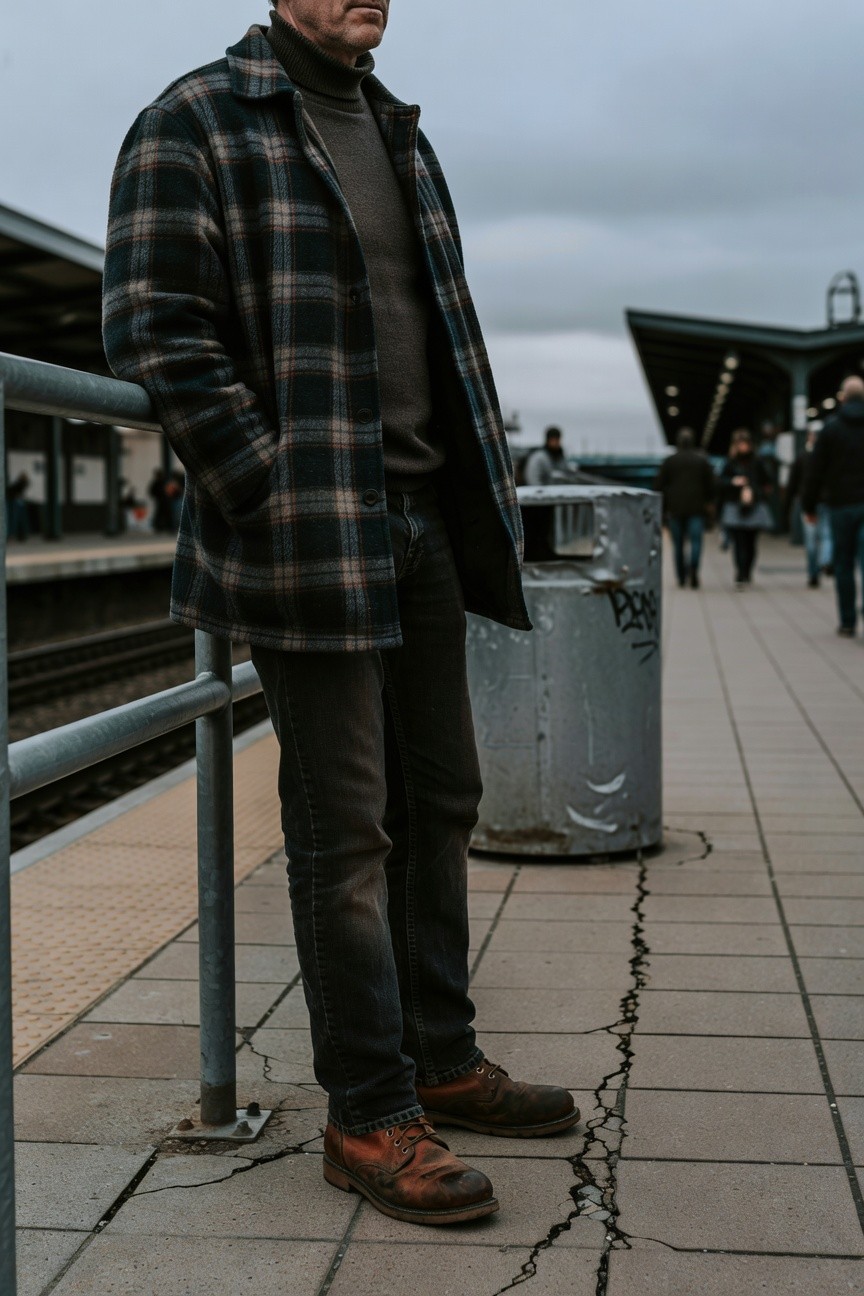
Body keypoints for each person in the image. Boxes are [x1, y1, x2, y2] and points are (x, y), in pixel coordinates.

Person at [103, 0, 577, 1228]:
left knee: (444, 798)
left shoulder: (397, 131)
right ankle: (369, 1112)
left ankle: (440, 1059)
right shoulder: (194, 121)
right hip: (311, 534)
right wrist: (266, 485)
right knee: (345, 828)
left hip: (423, 519)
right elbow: (154, 327)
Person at [802, 375, 864, 637]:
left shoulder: (831, 428)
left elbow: (816, 471)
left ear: (842, 398)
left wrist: (809, 506)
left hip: (840, 505)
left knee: (843, 564)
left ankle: (848, 621)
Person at [653, 427, 715, 588]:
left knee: (678, 544)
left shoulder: (670, 461)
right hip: (697, 508)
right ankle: (694, 569)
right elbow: (712, 486)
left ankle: (681, 576)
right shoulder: (702, 461)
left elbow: (659, 486)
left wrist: (663, 508)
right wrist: (709, 503)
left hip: (675, 509)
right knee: (696, 541)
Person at [719, 428, 774, 589]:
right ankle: (740, 573)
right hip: (735, 505)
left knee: (751, 543)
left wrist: (755, 490)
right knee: (738, 542)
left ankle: (747, 571)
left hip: (754, 505)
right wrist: (733, 482)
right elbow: (720, 482)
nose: (743, 447)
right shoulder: (730, 462)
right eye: (740, 444)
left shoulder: (757, 461)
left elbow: (767, 481)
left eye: (745, 444)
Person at [787, 427, 832, 588]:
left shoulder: (803, 457)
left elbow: (794, 481)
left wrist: (792, 502)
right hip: (826, 502)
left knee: (811, 540)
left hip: (808, 503)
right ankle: (825, 561)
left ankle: (814, 572)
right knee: (826, 536)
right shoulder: (830, 458)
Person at [5, 472, 31, 541]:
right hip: (15, 501)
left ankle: (14, 535)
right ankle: (13, 535)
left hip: (15, 501)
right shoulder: (20, 484)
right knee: (15, 519)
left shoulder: (19, 484)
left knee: (15, 519)